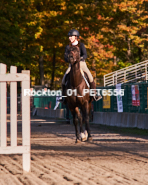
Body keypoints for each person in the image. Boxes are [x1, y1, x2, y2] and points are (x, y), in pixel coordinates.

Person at [60, 29, 101, 102]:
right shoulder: (67, 47)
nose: (69, 38)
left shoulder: (81, 45)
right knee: (63, 80)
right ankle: (63, 96)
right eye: (69, 36)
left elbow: (85, 55)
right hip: (71, 65)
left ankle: (94, 94)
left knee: (90, 77)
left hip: (81, 64)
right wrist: (68, 60)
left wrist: (80, 59)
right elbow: (65, 57)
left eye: (71, 36)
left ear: (76, 37)